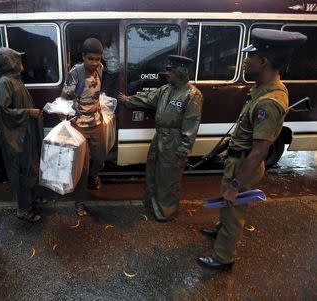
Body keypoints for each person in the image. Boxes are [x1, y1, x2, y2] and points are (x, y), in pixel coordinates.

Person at [197, 29, 307, 271]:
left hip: (244, 164)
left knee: (233, 209)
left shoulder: (269, 102)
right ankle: (220, 231)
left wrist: (236, 186)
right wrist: (219, 149)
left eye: (250, 57)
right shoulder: (261, 89)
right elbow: (245, 131)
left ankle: (223, 257)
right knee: (227, 207)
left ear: (264, 61)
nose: (245, 61)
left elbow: (259, 151)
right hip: (237, 158)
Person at [118, 55, 203, 222]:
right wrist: (128, 100)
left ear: (180, 72)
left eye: (170, 71)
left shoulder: (192, 94)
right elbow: (148, 99)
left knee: (168, 178)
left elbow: (191, 122)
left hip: (175, 140)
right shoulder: (165, 89)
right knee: (153, 171)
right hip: (160, 137)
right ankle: (152, 204)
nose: (167, 74)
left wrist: (184, 147)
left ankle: (166, 211)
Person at [0, 47, 44, 222]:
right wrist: (28, 112)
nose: (22, 63)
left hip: (24, 134)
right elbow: (4, 111)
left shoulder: (15, 80)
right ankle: (23, 210)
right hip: (16, 137)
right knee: (22, 172)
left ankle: (30, 202)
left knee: (30, 168)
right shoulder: (5, 82)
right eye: (18, 60)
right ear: (11, 62)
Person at [60, 37, 106, 216]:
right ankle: (79, 202)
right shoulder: (75, 73)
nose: (95, 63)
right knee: (83, 166)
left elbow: (97, 93)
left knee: (101, 158)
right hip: (79, 126)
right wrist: (64, 117)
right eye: (91, 59)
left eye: (98, 59)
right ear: (83, 56)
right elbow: (64, 98)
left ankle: (95, 177)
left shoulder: (100, 69)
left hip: (96, 122)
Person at [101, 32, 119, 98]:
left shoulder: (116, 44)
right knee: (104, 92)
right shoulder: (102, 49)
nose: (104, 39)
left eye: (105, 37)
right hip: (109, 73)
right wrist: (104, 69)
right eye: (102, 38)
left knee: (116, 92)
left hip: (119, 72)